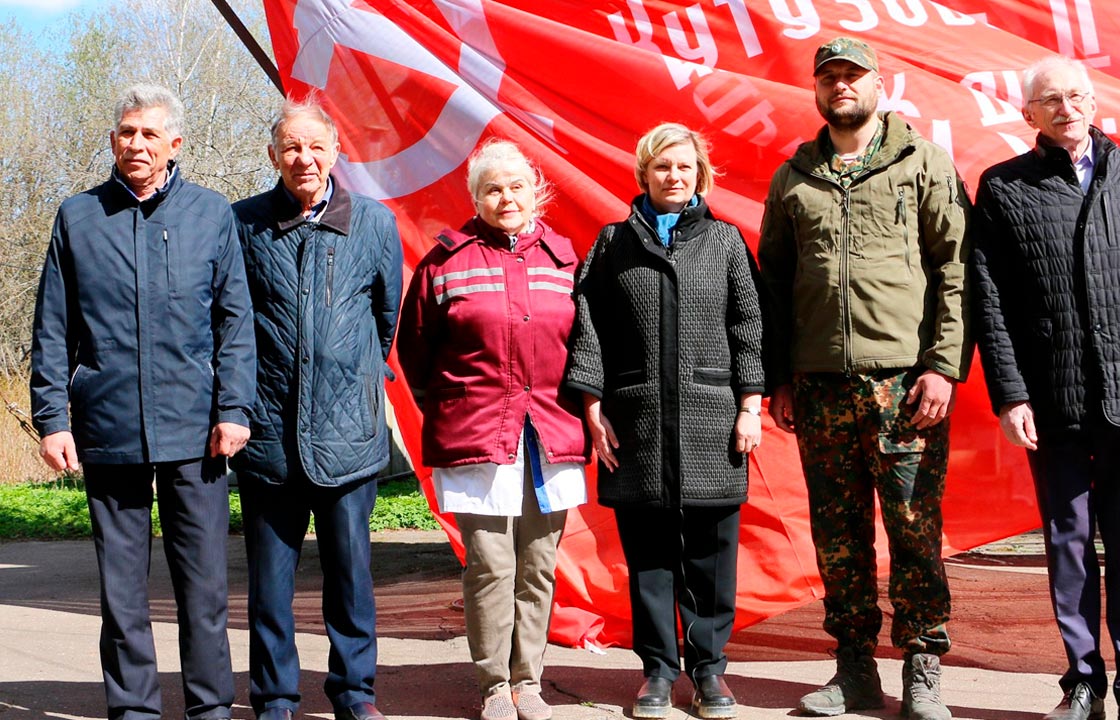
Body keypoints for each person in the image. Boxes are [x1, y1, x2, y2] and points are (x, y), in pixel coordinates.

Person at [971, 56, 1120, 720]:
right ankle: (1082, 680)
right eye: (1051, 99)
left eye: (1076, 95)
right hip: (1051, 394)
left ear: (1094, 102)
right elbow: (991, 304)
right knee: (1066, 541)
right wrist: (1011, 396)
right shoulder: (1004, 186)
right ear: (1029, 115)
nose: (1066, 107)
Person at [757, 38, 970, 720]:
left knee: (913, 529)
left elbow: (956, 271)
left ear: (879, 84)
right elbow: (776, 285)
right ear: (818, 91)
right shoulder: (794, 176)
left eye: (852, 76)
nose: (841, 87)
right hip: (819, 387)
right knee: (838, 535)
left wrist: (943, 367)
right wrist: (780, 377)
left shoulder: (923, 163)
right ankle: (853, 670)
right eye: (830, 79)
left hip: (905, 385)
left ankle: (922, 666)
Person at [29, 84, 254, 720]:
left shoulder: (212, 215)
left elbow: (236, 323)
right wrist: (53, 419)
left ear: (175, 144)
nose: (137, 144)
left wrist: (235, 408)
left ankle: (210, 709)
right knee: (121, 593)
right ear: (113, 141)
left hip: (196, 431)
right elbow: (52, 327)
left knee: (204, 589)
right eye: (127, 132)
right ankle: (134, 712)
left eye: (150, 134)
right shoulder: (77, 217)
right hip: (108, 427)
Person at [567, 123, 765, 720]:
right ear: (643, 175)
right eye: (662, 167)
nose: (673, 177)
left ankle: (710, 672)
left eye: (684, 167)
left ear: (700, 174)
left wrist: (749, 406)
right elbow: (588, 328)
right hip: (639, 421)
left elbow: (750, 328)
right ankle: (656, 670)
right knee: (649, 557)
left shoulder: (727, 242)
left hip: (714, 421)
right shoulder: (611, 245)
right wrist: (594, 407)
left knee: (712, 553)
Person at [396, 140, 588, 720]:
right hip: (477, 435)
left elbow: (585, 348)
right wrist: (455, 407)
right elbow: (415, 351)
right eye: (493, 188)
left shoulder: (565, 260)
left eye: (516, 186)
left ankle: (529, 678)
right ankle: (493, 685)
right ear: (476, 197)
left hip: (550, 434)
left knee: (538, 565)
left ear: (536, 191)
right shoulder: (445, 263)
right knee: (490, 563)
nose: (507, 197)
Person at [232, 98, 403, 720]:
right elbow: (228, 321)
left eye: (316, 147)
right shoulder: (242, 224)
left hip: (348, 436)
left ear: (336, 153)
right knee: (270, 588)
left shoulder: (375, 225)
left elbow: (386, 318)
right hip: (267, 434)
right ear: (273, 156)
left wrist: (352, 377)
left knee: (351, 579)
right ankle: (275, 698)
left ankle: (354, 692)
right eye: (291, 148)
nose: (304, 159)